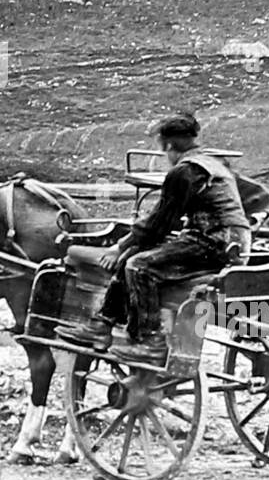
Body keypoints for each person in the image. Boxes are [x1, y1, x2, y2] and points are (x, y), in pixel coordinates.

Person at [59, 112, 251, 362]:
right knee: (138, 254)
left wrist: (120, 246)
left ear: (168, 145)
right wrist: (132, 245)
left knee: (139, 266)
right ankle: (102, 324)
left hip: (213, 243)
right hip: (233, 242)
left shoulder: (185, 172)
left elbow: (158, 223)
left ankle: (150, 342)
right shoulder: (213, 163)